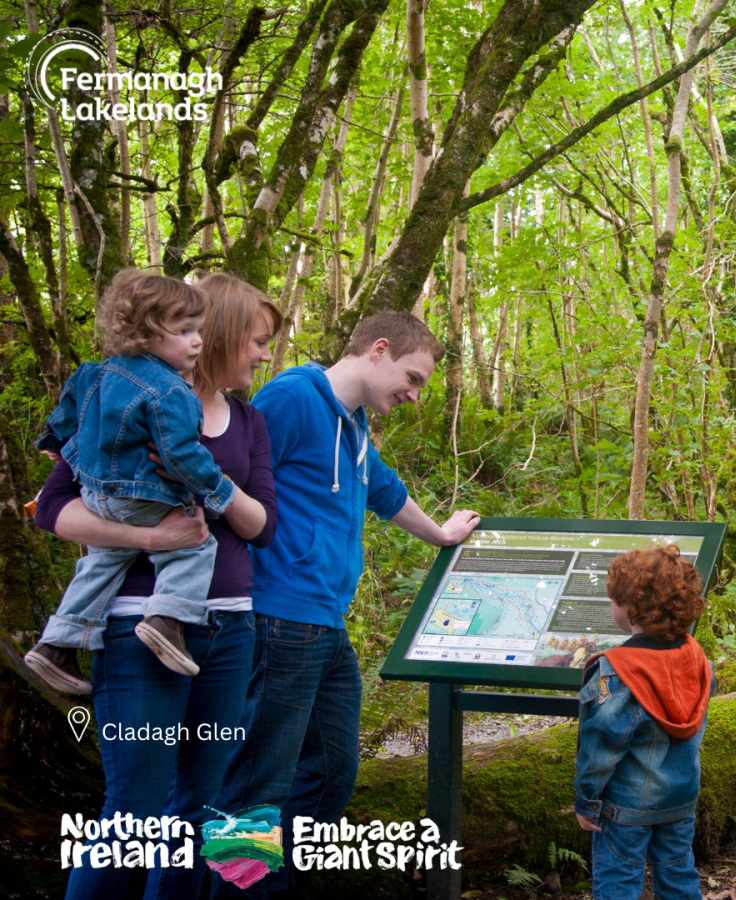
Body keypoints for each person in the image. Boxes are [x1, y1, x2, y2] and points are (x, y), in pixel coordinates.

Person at [210, 311, 480, 898]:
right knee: (256, 784)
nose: (413, 395)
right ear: (378, 350)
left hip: (327, 627)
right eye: (412, 378)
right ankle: (237, 889)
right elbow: (229, 480)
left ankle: (272, 886)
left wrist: (441, 535)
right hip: (278, 616)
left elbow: (385, 491)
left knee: (331, 772)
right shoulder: (291, 398)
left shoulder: (353, 425)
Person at [34, 272, 283, 900]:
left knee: (199, 806)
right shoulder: (123, 404)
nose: (264, 355)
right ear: (217, 333)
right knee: (135, 810)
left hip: (228, 628)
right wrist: (150, 536)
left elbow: (262, 526)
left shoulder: (248, 421)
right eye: (258, 340)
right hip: (137, 628)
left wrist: (208, 483)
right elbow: (53, 508)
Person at [27, 270, 240, 691]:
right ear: (142, 335)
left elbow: (69, 410)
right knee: (195, 546)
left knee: (103, 561)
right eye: (184, 331)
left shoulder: (96, 373)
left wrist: (56, 443)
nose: (197, 341)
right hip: (143, 495)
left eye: (199, 330)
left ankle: (56, 644)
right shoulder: (171, 391)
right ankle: (168, 620)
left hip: (95, 495)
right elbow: (180, 454)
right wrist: (218, 490)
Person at [575, 545, 714, 900]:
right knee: (679, 875)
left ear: (630, 608)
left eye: (613, 600)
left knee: (618, 880)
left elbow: (600, 748)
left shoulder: (616, 671)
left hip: (625, 806)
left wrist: (587, 800)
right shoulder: (697, 659)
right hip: (680, 799)